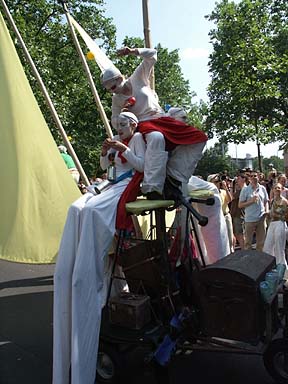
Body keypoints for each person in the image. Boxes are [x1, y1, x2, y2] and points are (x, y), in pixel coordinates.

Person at [53, 112, 145, 384]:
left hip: (127, 184)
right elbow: (106, 166)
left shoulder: (137, 139)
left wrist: (124, 149)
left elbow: (141, 165)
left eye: (123, 125)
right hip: (110, 183)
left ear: (133, 125)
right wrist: (106, 152)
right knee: (76, 207)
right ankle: (78, 254)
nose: (119, 128)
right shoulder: (119, 139)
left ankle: (89, 265)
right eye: (118, 125)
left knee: (92, 212)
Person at [101, 47, 208, 200]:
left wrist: (133, 51)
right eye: (109, 90)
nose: (113, 91)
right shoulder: (117, 99)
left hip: (163, 119)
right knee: (156, 138)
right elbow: (115, 121)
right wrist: (123, 113)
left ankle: (175, 176)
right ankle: (152, 187)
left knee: (199, 138)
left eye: (113, 87)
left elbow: (152, 55)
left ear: (120, 78)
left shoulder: (137, 77)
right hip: (143, 123)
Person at [238, 172, 269, 251]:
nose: (253, 177)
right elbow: (240, 205)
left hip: (261, 218)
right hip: (250, 219)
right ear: (249, 179)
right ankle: (248, 260)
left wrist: (267, 211)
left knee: (261, 242)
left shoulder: (262, 188)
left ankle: (260, 260)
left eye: (255, 176)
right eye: (251, 176)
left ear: (258, 177)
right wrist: (251, 201)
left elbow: (266, 201)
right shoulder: (245, 190)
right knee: (248, 243)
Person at [263, 183, 288, 274]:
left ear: (282, 190)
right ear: (273, 190)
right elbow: (271, 213)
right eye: (275, 188)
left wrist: (276, 215)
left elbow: (286, 217)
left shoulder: (284, 202)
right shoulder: (272, 201)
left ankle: (283, 270)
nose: (277, 189)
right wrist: (268, 214)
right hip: (272, 224)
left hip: (280, 224)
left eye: (279, 188)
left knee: (279, 248)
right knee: (267, 246)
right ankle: (270, 267)